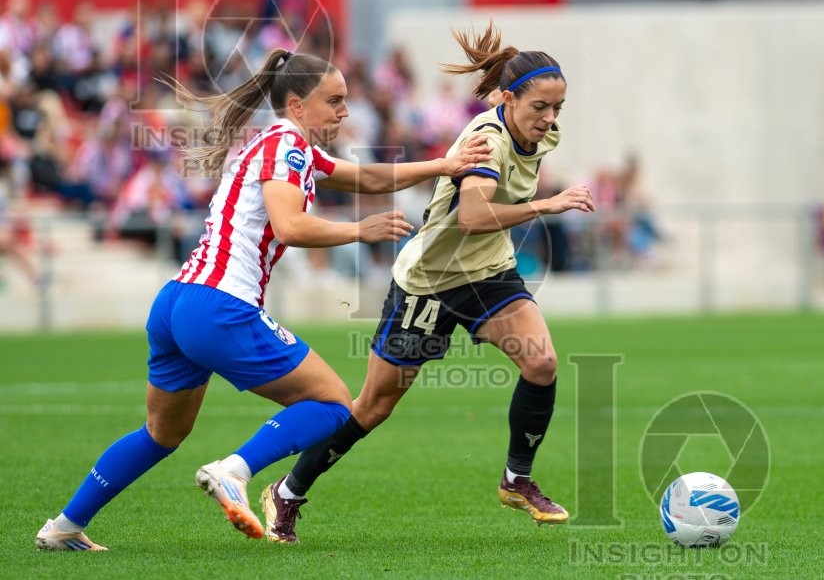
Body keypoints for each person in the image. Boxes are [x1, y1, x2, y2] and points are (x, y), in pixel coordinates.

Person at [34, 47, 490, 551]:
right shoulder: (289, 147)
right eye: (333, 101)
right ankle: (234, 470)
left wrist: (443, 164)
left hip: (176, 302)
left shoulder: (280, 143)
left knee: (161, 433)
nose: (343, 111)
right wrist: (360, 229)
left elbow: (365, 176)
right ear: (296, 105)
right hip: (221, 304)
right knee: (335, 403)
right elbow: (289, 226)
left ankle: (64, 526)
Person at [260, 23, 595, 543]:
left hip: (488, 274)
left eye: (558, 108)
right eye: (540, 108)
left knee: (542, 361)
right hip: (428, 284)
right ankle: (288, 491)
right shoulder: (485, 139)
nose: (550, 119)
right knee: (373, 407)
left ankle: (516, 479)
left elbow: (489, 223)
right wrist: (548, 205)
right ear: (508, 99)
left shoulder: (543, 133)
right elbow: (474, 217)